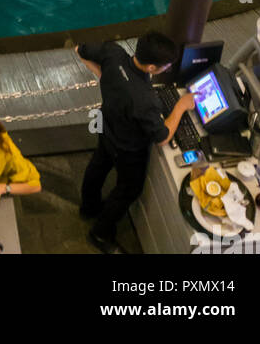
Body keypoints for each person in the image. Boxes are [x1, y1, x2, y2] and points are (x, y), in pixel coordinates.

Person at [75, 31, 194, 253]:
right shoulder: (145, 101)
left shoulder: (114, 52)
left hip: (106, 126)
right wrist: (181, 106)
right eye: (165, 66)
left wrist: (106, 78)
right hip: (127, 148)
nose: (167, 68)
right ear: (151, 68)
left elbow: (80, 50)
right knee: (128, 190)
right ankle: (100, 233)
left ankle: (89, 207)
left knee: (99, 164)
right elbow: (162, 137)